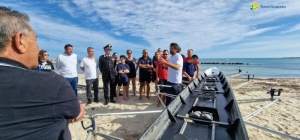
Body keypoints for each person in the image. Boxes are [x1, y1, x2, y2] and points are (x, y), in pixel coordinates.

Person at [0, 6, 84, 139]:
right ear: (20, 40)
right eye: (36, 40)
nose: (38, 47)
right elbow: (75, 112)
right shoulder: (52, 83)